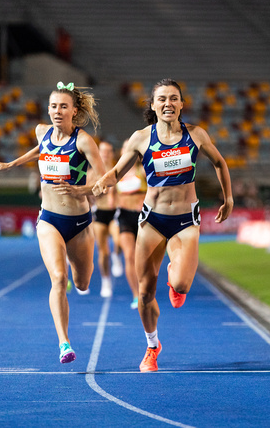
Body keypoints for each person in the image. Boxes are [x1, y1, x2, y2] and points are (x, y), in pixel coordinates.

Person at [93, 78, 233, 372]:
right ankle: (152, 346)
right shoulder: (141, 138)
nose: (168, 103)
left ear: (182, 104)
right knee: (145, 293)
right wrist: (105, 180)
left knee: (181, 286)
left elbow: (220, 163)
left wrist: (228, 198)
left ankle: (173, 271)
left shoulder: (196, 135)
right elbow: (119, 170)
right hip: (152, 221)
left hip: (185, 220)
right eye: (162, 99)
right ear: (153, 105)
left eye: (173, 98)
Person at [0, 81, 106, 364]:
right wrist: (9, 164)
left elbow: (104, 181)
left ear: (74, 111)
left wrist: (80, 190)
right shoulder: (43, 131)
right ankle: (64, 343)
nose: (56, 111)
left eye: (63, 106)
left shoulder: (83, 141)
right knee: (58, 278)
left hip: (79, 223)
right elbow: (40, 149)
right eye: (53, 106)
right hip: (49, 218)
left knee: (82, 281)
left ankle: (80, 281)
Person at [88, 140, 123, 298]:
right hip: (99, 213)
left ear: (112, 153)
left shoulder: (119, 170)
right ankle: (106, 280)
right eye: (102, 151)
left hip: (115, 211)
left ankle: (117, 256)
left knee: (119, 241)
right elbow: (86, 193)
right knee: (103, 252)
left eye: (108, 151)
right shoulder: (92, 172)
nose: (105, 154)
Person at [115, 139, 147, 309]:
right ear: (121, 152)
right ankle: (136, 295)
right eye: (125, 147)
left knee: (143, 258)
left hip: (143, 217)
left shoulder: (143, 171)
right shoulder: (116, 174)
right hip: (124, 216)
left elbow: (156, 190)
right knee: (129, 255)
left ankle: (145, 289)